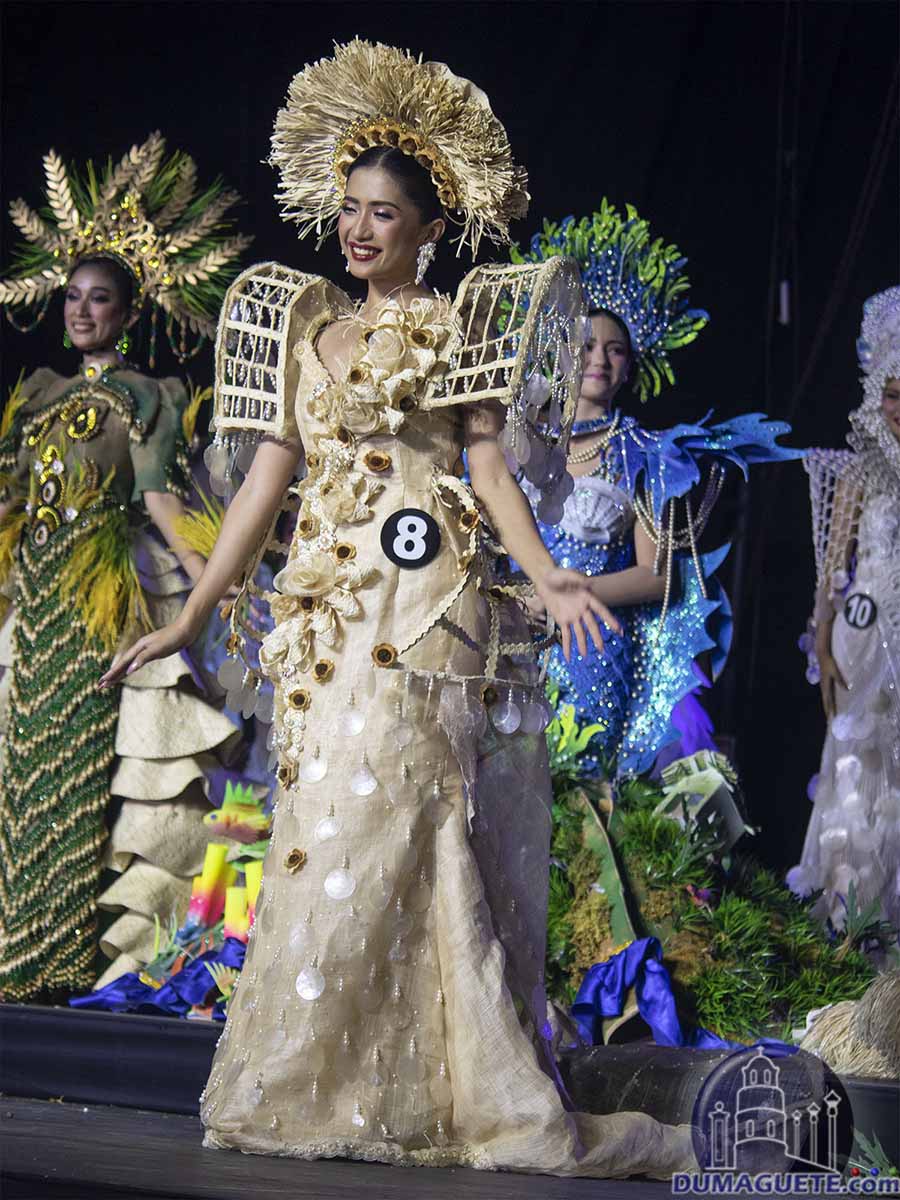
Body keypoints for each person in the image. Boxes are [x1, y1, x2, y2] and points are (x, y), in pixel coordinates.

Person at [100, 40, 694, 1178]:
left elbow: (490, 472)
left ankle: (450, 1087)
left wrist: (548, 571)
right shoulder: (303, 327)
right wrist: (192, 614)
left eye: (386, 214)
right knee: (323, 836)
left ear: (429, 229)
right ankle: (325, 1083)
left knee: (413, 827)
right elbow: (266, 485)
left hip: (427, 613)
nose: (362, 231)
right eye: (352, 210)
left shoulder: (461, 325)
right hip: (323, 628)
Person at [0, 133, 252, 999]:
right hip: (26, 598)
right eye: (71, 297)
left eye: (98, 300)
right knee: (13, 764)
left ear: (127, 312)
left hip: (91, 600)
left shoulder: (144, 395)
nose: (79, 312)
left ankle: (65, 959)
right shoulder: (37, 395)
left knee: (77, 769)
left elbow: (159, 503)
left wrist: (219, 588)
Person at [511, 205, 802, 776]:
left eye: (614, 350)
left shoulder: (646, 454)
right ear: (560, 354)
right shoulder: (518, 443)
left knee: (580, 806)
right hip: (513, 642)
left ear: (630, 368)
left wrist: (563, 593)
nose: (598, 358)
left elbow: (658, 574)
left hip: (593, 649)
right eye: (586, 345)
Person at [788, 286, 900, 935]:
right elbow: (832, 567)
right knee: (856, 762)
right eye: (893, 392)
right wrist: (823, 643)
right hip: (865, 631)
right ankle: (852, 919)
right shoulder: (858, 469)